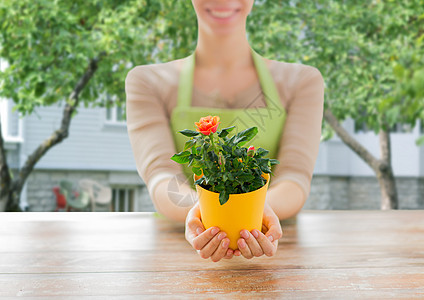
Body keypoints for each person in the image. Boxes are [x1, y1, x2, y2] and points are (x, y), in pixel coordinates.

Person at [125, 0, 324, 262]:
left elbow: (295, 177)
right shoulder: (147, 81)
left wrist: (253, 213)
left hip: (276, 250)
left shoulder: (301, 81)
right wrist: (209, 216)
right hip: (177, 252)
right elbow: (162, 177)